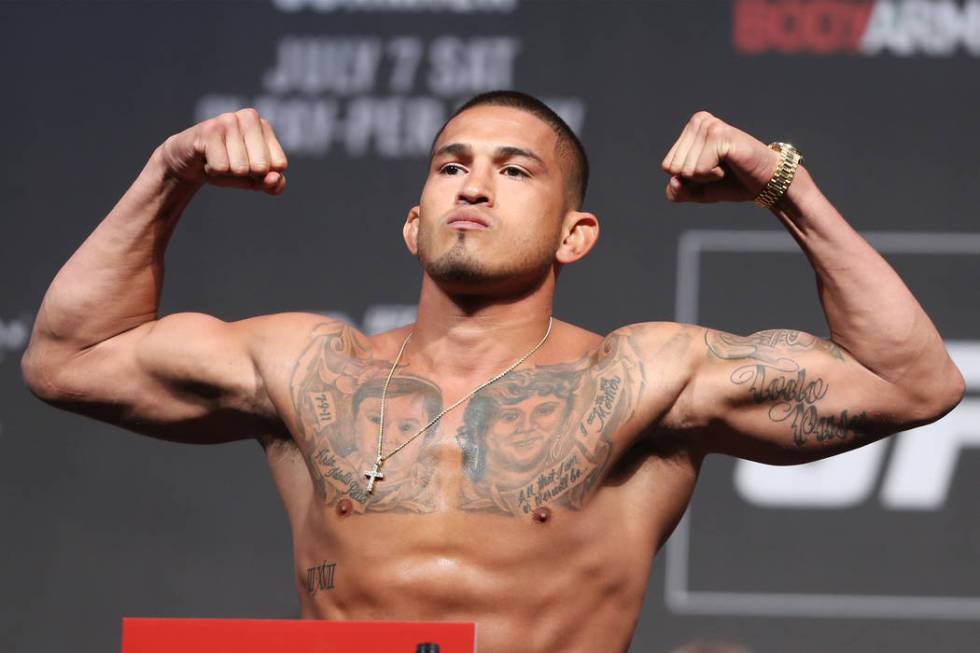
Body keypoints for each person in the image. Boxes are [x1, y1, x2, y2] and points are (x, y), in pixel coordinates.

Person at [20, 90, 964, 653]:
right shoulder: (310, 366)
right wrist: (168, 172)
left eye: (515, 171)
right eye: (451, 166)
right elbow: (69, 358)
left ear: (575, 234)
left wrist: (782, 185)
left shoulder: (640, 377)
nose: (472, 184)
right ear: (413, 220)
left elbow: (909, 380)